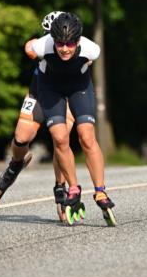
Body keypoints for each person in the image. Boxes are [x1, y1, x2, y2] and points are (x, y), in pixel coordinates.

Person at [25, 12, 116, 224]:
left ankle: (100, 191)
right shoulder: (43, 45)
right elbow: (30, 47)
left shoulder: (91, 48)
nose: (65, 49)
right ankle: (73, 188)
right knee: (59, 138)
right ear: (53, 40)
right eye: (60, 44)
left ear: (78, 40)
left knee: (86, 136)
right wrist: (29, 48)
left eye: (70, 44)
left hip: (79, 87)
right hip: (50, 88)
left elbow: (89, 62)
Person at [0, 10, 69, 205]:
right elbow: (29, 47)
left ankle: (60, 187)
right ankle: (15, 164)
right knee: (21, 138)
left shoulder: (78, 47)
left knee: (61, 142)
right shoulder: (41, 45)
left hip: (67, 97)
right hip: (39, 95)